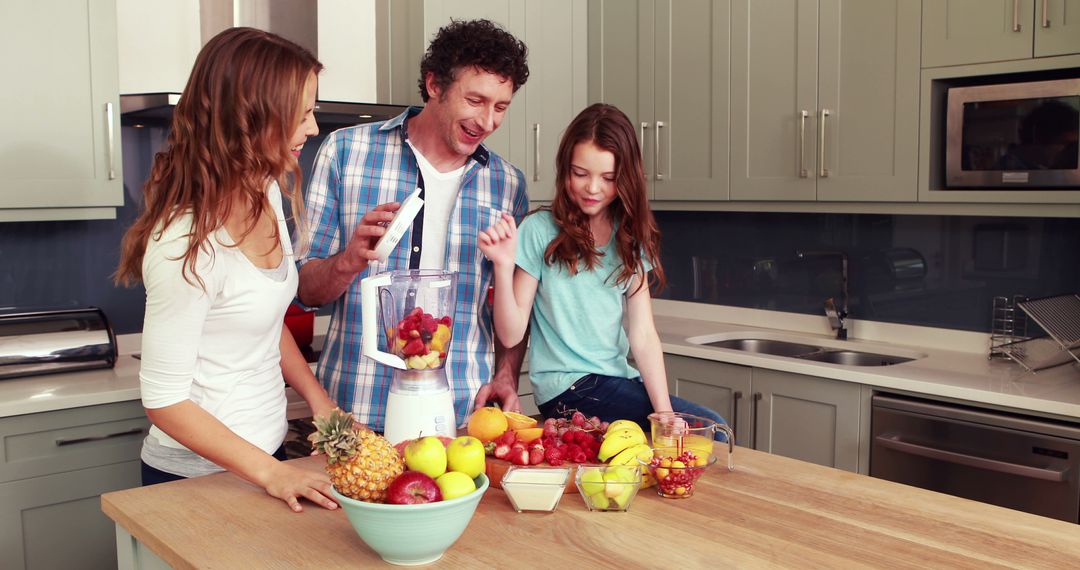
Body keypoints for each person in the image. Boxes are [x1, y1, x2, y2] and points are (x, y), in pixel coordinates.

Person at [114, 27, 339, 513]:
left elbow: (264, 319)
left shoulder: (267, 193)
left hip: (266, 460)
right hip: (193, 481)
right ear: (249, 118)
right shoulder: (184, 243)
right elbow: (164, 400)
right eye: (301, 115)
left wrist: (320, 404)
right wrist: (272, 473)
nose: (314, 128)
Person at [297, 19, 531, 431]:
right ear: (435, 85)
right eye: (475, 100)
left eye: (501, 107)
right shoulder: (347, 153)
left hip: (461, 412)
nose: (488, 121)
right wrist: (349, 261)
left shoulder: (507, 183)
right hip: (355, 410)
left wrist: (507, 373)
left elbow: (514, 299)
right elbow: (305, 291)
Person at [478, 103, 727, 436]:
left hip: (616, 380)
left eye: (608, 178)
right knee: (713, 431)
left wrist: (663, 412)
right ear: (565, 168)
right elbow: (510, 334)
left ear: (625, 179)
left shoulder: (630, 238)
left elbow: (643, 335)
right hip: (566, 391)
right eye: (580, 174)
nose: (593, 188)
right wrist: (503, 265)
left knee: (702, 429)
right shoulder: (539, 230)